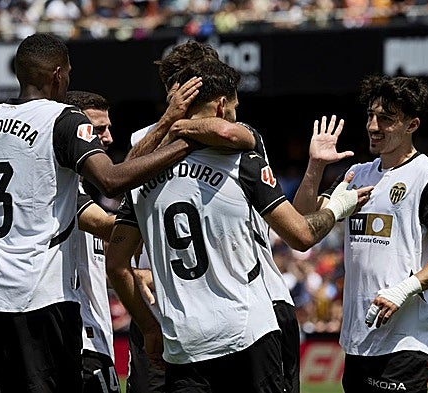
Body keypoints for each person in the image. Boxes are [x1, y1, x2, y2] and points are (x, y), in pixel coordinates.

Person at [105, 58, 373, 392]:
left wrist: (148, 329)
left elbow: (116, 265)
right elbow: (301, 235)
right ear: (221, 104)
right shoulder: (241, 158)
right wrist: (338, 207)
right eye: (234, 106)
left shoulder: (140, 171)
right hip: (247, 333)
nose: (236, 114)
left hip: (182, 341)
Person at [0, 32, 203, 393]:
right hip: (39, 295)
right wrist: (184, 143)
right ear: (59, 75)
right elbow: (110, 180)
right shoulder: (64, 118)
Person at [126, 40, 303, 393]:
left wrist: (177, 125)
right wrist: (168, 122)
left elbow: (231, 133)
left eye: (185, 83)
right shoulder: (146, 138)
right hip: (174, 305)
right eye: (171, 84)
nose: (175, 92)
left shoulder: (238, 136)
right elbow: (121, 176)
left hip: (252, 295)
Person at [292, 74, 428, 392]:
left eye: (386, 119)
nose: (373, 126)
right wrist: (315, 165)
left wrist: (403, 291)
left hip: (402, 342)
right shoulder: (358, 174)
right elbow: (304, 219)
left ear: (412, 125)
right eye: (371, 116)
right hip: (357, 341)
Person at [66, 90, 119, 393]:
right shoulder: (59, 189)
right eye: (99, 129)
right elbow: (105, 226)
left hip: (97, 338)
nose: (108, 137)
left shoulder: (83, 188)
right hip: (79, 343)